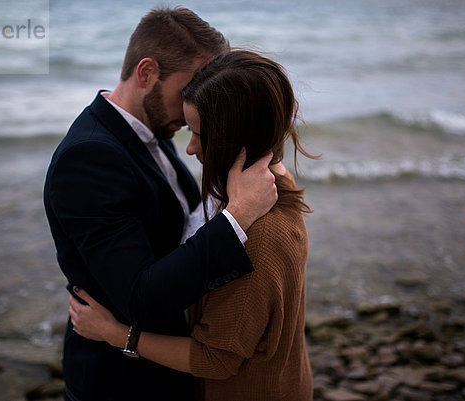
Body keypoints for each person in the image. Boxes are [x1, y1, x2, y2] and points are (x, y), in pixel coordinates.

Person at [43, 8, 278, 401]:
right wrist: (238, 217)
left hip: (167, 368)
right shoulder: (87, 158)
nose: (197, 106)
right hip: (122, 383)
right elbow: (141, 299)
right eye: (190, 90)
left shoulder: (151, 131)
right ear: (147, 73)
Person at [69, 50, 315, 401]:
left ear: (236, 139)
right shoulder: (269, 182)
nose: (190, 148)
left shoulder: (259, 235)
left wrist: (116, 333)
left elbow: (215, 358)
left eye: (200, 134)